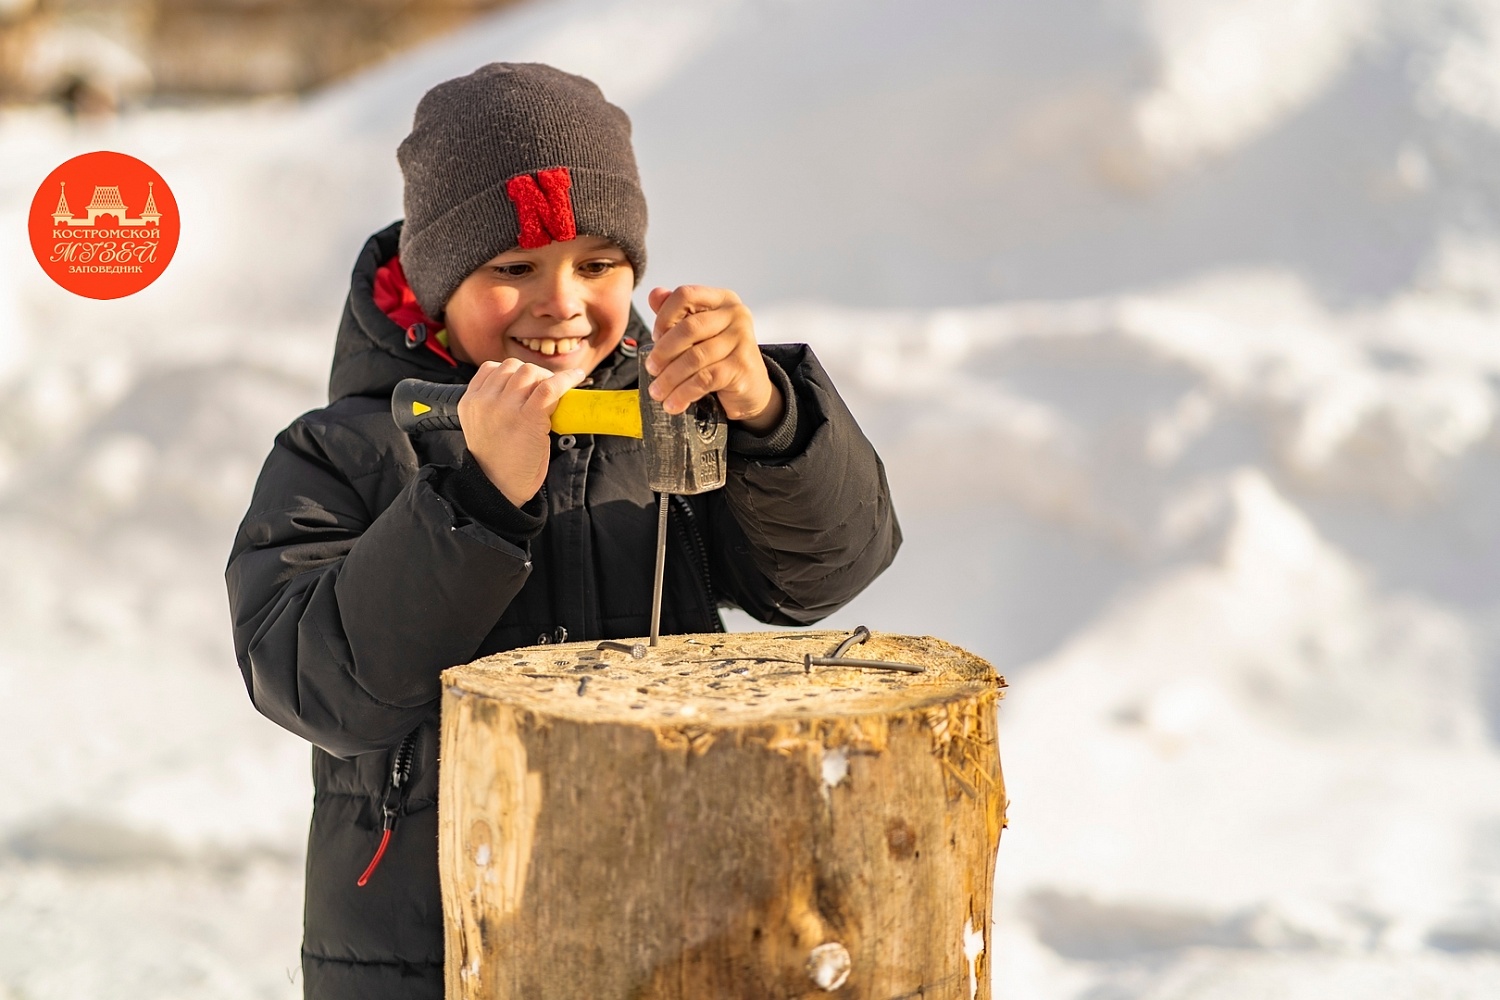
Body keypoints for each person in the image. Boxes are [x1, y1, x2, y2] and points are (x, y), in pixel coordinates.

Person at [225, 62, 900, 1000]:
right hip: (437, 947)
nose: (564, 304)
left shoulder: (668, 416)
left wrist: (767, 415)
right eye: (513, 269)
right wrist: (475, 502)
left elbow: (822, 573)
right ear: (434, 284)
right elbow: (319, 684)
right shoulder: (348, 452)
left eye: (598, 264)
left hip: (674, 920)